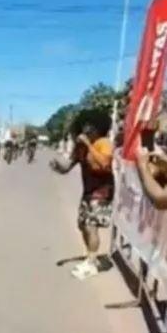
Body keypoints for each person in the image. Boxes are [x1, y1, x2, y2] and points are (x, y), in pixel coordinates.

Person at [51, 109, 114, 280]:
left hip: (102, 190)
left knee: (90, 225)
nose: (87, 130)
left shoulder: (103, 143)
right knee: (82, 225)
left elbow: (104, 165)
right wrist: (58, 167)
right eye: (84, 126)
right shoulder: (80, 148)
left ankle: (92, 262)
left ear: (98, 127)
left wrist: (88, 145)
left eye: (90, 126)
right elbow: (67, 166)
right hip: (88, 190)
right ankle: (89, 258)